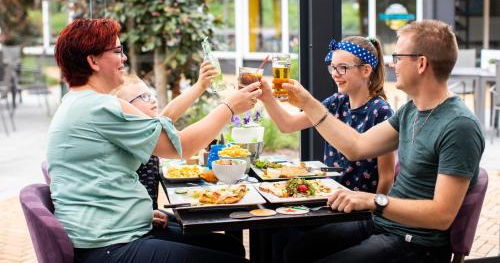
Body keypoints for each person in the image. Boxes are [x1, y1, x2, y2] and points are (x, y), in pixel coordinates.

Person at [48, 18, 261, 263]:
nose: (124, 58)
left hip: (110, 234)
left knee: (229, 246)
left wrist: (140, 214)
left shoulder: (78, 103)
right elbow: (179, 146)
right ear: (93, 61)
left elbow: (161, 122)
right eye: (117, 51)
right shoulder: (99, 106)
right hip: (109, 247)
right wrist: (230, 107)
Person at [280, 20, 484, 263]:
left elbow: (441, 215)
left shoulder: (459, 126)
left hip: (417, 244)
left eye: (398, 56)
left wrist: (372, 200)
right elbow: (357, 147)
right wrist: (308, 104)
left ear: (421, 64)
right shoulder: (410, 111)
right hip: (385, 225)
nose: (390, 63)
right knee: (295, 250)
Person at [260, 36, 395, 194]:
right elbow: (287, 125)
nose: (335, 74)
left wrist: (374, 212)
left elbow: (387, 176)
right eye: (333, 67)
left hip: (361, 209)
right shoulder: (336, 101)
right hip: (330, 197)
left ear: (366, 70)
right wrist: (267, 97)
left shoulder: (380, 110)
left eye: (343, 67)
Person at [111, 66, 215, 210]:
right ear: (126, 109)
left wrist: (200, 85)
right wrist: (229, 107)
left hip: (147, 214)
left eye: (150, 94)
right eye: (144, 97)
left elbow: (167, 115)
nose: (152, 100)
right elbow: (183, 144)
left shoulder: (146, 131)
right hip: (136, 219)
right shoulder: (133, 136)